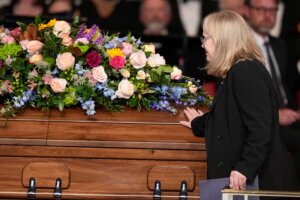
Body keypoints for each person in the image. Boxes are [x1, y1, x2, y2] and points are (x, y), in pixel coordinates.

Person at [180, 10, 298, 198]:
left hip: (259, 182)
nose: (203, 45)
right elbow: (228, 118)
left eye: (206, 38)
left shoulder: (245, 71)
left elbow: (260, 127)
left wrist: (245, 167)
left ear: (223, 40)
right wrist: (198, 123)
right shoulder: (238, 70)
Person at [244, 0, 300, 184]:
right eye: (261, 9)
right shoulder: (241, 47)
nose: (268, 15)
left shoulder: (279, 45)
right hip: (265, 123)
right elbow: (238, 96)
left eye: (272, 10)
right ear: (247, 10)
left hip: (291, 116)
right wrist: (274, 115)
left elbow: (291, 84)